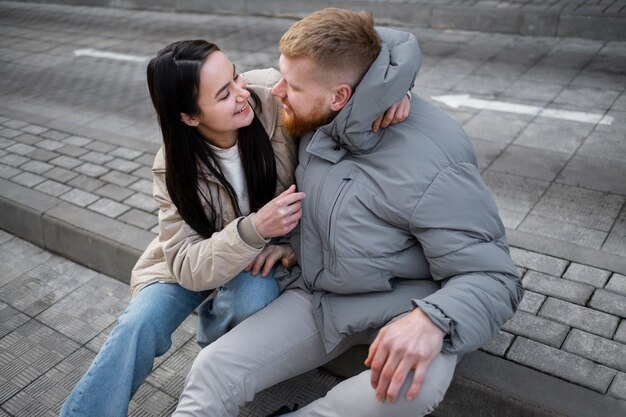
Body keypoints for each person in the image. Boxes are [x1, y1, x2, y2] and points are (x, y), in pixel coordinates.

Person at [172, 7, 524, 417]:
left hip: (409, 304)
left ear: (340, 95)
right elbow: (366, 45)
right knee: (212, 368)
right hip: (323, 300)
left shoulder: (434, 160)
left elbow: (496, 277)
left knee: (408, 389)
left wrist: (434, 320)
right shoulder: (316, 117)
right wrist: (293, 242)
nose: (276, 91)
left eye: (293, 85)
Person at [59, 39, 409, 417]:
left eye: (236, 77)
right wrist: (252, 228)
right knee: (138, 324)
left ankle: (214, 349)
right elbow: (185, 263)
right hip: (195, 259)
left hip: (262, 257)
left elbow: (351, 53)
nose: (243, 94)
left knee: (249, 301)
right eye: (224, 94)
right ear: (190, 117)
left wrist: (392, 92)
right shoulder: (171, 167)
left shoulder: (274, 100)